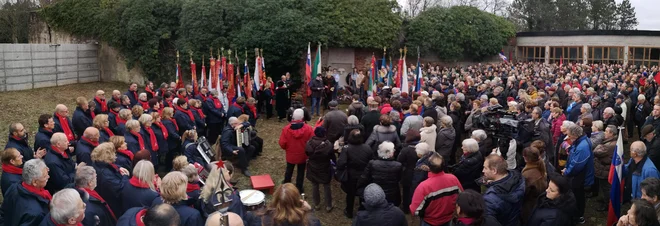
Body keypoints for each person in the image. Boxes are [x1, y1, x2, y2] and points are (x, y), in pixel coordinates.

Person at [410, 152, 463, 226]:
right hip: (448, 219)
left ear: (429, 167)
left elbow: (415, 211)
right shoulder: (453, 179)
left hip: (429, 222)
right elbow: (461, 198)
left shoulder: (424, 186)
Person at [1, 159, 50, 226]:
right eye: (45, 176)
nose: (48, 176)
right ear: (35, 182)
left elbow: (3, 212)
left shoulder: (14, 187)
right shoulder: (36, 214)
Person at [561, 124, 594, 224]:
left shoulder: (582, 147)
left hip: (579, 176)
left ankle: (578, 216)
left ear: (575, 135)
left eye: (569, 136)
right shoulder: (581, 139)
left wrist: (566, 171)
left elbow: (576, 165)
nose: (568, 138)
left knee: (577, 196)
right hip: (578, 174)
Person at [337, 129, 373, 218]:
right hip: (364, 175)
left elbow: (341, 163)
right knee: (362, 194)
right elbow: (372, 161)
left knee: (350, 194)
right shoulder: (367, 147)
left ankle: (349, 211)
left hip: (351, 175)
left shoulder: (347, 148)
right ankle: (362, 211)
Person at [482, 154, 525, 226]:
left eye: (485, 168)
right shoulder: (518, 178)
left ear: (494, 170)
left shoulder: (490, 199)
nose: (483, 171)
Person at [279, 109, 314, 193]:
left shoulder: (286, 129)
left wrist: (287, 149)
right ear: (303, 117)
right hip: (303, 155)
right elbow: (312, 142)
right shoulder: (309, 128)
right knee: (301, 172)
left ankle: (286, 186)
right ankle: (299, 187)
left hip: (291, 155)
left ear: (293, 117)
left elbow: (282, 143)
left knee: (289, 170)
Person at [358, 141, 402, 206]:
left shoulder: (372, 164)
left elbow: (364, 178)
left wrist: (358, 186)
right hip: (391, 194)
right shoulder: (398, 165)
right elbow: (399, 179)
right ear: (391, 153)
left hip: (375, 193)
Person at [257, 183, 321, 226]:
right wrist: (310, 210)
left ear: (276, 199)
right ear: (297, 200)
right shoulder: (309, 221)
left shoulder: (266, 218)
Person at [92, 142, 130, 215]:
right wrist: (125, 176)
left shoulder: (97, 163)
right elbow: (120, 189)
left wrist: (118, 168)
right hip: (115, 204)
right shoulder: (106, 175)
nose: (115, 154)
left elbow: (109, 165)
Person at [305, 127, 335, 212]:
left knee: (315, 184)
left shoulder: (309, 143)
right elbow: (332, 157)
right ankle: (328, 206)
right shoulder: (328, 144)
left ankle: (316, 204)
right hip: (325, 167)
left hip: (313, 166)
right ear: (324, 134)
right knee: (326, 185)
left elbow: (307, 153)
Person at [520, 147, 548, 224]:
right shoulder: (541, 165)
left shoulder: (527, 174)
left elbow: (524, 191)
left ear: (525, 158)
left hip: (531, 203)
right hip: (539, 199)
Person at [593, 125, 617, 211]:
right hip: (603, 168)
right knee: (604, 187)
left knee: (606, 188)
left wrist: (600, 144)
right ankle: (605, 199)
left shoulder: (610, 145)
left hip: (604, 169)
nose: (604, 133)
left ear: (612, 134)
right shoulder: (608, 141)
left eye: (606, 131)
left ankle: (607, 205)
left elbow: (596, 152)